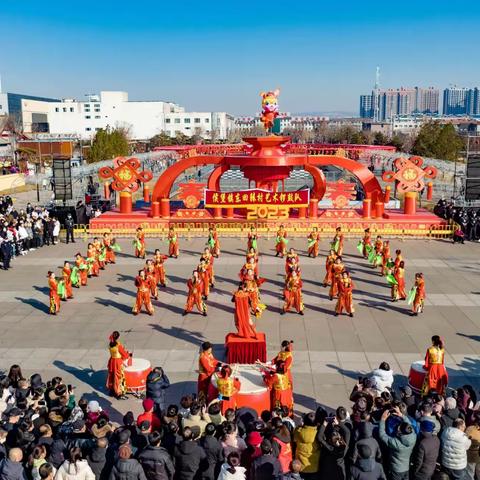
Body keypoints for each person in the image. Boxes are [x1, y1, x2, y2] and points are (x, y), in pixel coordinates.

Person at [378, 408, 416, 480]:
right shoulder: (413, 436)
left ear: (400, 433)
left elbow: (382, 435)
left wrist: (383, 419)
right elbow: (409, 425)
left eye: (398, 429)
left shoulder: (396, 443)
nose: (397, 428)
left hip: (396, 469)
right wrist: (402, 415)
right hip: (406, 467)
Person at [106, 331, 130, 400]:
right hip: (117, 362)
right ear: (118, 337)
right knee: (118, 378)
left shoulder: (110, 344)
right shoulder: (118, 345)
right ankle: (119, 393)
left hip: (112, 361)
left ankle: (112, 390)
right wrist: (127, 354)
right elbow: (125, 355)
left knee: (112, 375)